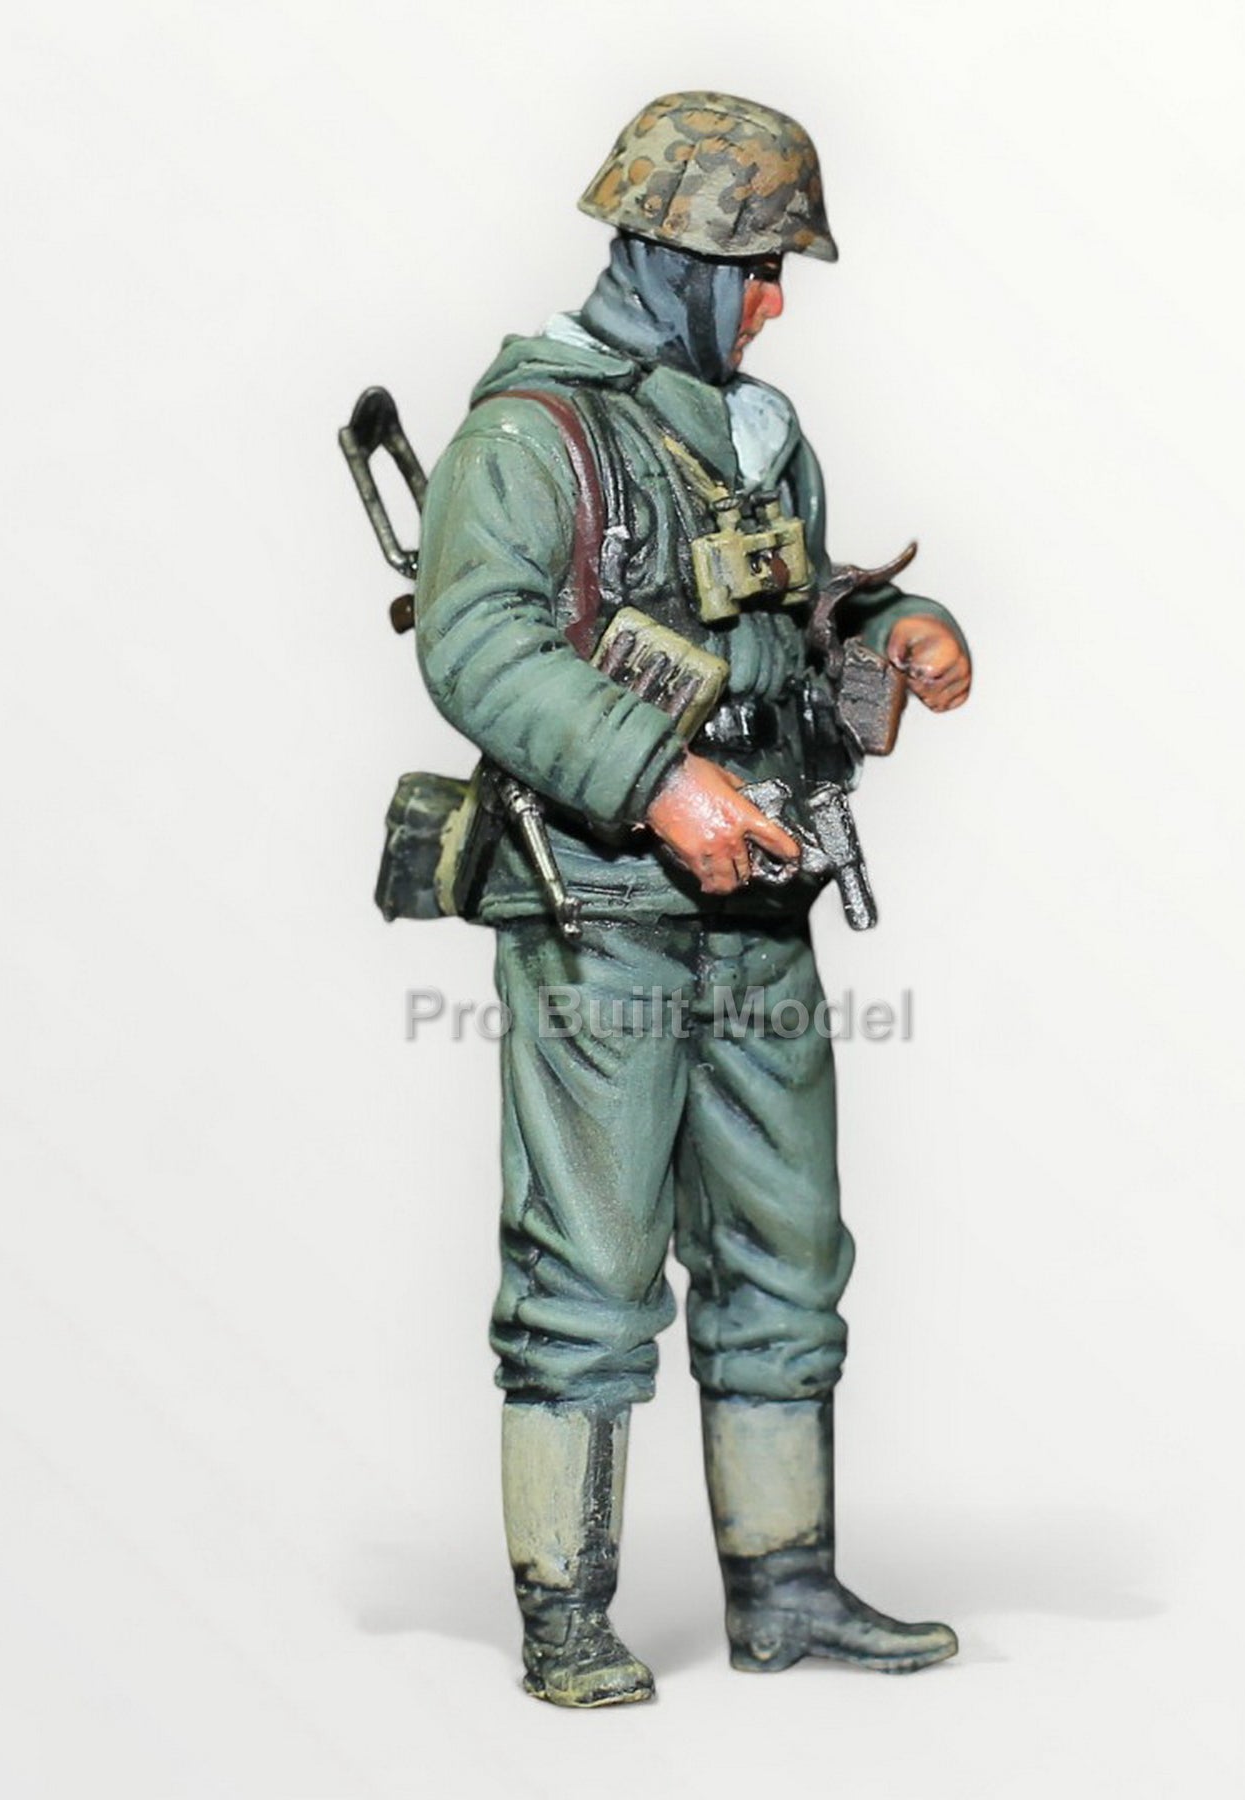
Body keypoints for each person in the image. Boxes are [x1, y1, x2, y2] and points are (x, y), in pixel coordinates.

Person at [409, 91, 972, 1707]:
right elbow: (477, 642)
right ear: (677, 257)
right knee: (588, 1264)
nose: (777, 303)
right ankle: (565, 1614)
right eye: (759, 268)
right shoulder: (529, 436)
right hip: (600, 908)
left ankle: (785, 1592)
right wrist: (657, 779)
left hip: (762, 901)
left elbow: (785, 603)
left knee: (787, 1250)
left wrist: (895, 625)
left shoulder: (759, 432)